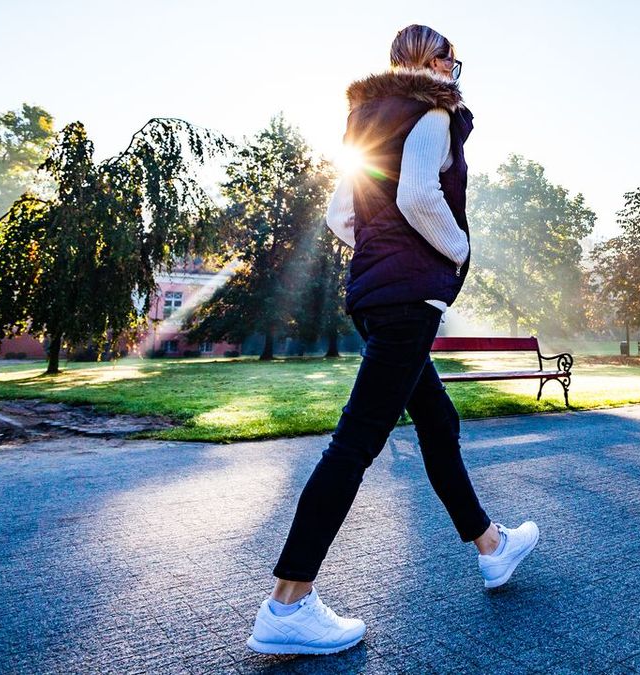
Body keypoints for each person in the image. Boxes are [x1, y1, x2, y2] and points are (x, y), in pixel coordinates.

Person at [246, 24, 539, 656]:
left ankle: (491, 546)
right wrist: (456, 254)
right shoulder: (432, 110)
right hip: (410, 301)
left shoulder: (366, 120)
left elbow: (339, 217)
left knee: (437, 421)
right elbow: (417, 196)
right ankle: (287, 605)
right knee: (354, 443)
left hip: (375, 299)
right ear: (431, 63)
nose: (456, 74)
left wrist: (383, 258)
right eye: (452, 62)